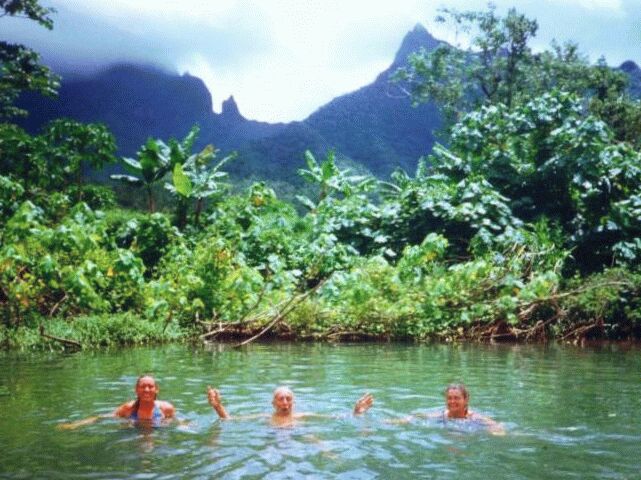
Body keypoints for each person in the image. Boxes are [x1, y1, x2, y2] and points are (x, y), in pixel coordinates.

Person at [207, 385, 373, 427]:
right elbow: (230, 420)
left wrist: (356, 412)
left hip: (299, 440)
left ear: (293, 402)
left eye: (288, 399)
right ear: (273, 403)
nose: (285, 402)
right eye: (281, 399)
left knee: (313, 437)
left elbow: (336, 418)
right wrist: (217, 407)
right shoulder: (265, 417)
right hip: (272, 443)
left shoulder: (302, 416)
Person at [58, 375, 175, 430]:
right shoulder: (128, 408)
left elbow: (177, 420)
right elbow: (101, 417)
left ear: (156, 389)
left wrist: (186, 426)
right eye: (142, 386)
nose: (146, 390)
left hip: (157, 433)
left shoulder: (166, 408)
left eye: (150, 386)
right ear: (136, 390)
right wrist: (75, 424)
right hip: (135, 433)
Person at [391, 383, 505, 435]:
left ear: (466, 400)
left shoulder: (475, 417)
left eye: (456, 398)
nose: (452, 402)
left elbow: (497, 426)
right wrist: (403, 420)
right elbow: (418, 416)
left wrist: (496, 431)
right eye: (449, 398)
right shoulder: (441, 415)